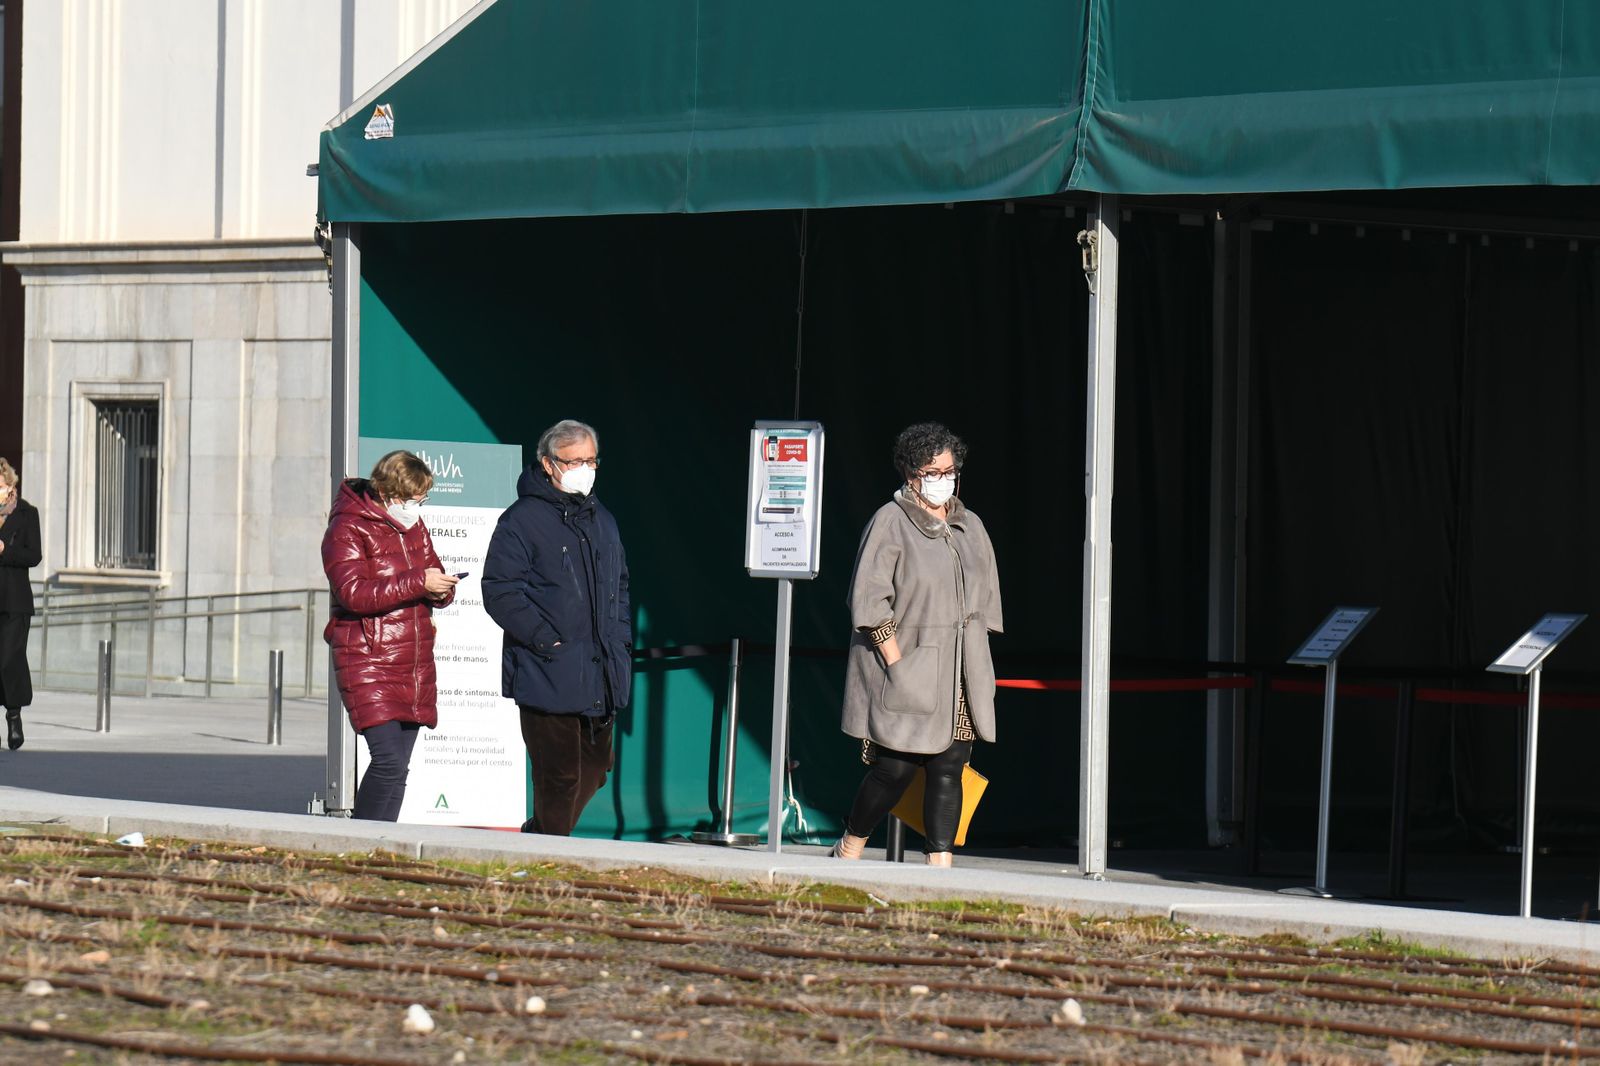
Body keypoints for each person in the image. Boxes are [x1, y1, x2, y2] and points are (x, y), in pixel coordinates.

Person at [832, 422, 1003, 866]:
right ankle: (850, 846)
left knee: (950, 767)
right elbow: (869, 601)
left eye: (949, 470)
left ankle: (939, 868)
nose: (943, 478)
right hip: (908, 668)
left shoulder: (970, 526)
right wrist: (897, 662)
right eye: (932, 470)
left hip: (960, 672)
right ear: (911, 473)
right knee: (896, 769)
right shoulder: (890, 521)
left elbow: (986, 601)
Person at [483, 419, 632, 836]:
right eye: (574, 461)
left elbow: (620, 585)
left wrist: (621, 640)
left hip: (601, 670)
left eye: (591, 460)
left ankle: (540, 836)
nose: (584, 468)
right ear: (548, 464)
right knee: (559, 777)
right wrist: (546, 639)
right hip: (546, 668)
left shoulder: (603, 519)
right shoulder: (521, 520)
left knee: (597, 769)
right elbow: (500, 590)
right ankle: (549, 853)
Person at [322, 450, 457, 821]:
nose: (416, 507)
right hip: (367, 654)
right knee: (388, 761)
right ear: (385, 492)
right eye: (411, 499)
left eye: (422, 500)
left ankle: (384, 844)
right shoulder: (346, 528)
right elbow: (353, 594)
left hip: (411, 659)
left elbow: (433, 572)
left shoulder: (414, 526)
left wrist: (442, 589)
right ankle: (358, 844)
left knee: (400, 769)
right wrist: (419, 582)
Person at [0, 458, 40, 751]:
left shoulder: (27, 514)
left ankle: (14, 716)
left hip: (15, 600)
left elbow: (34, 555)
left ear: (10, 485)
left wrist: (5, 550)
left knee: (9, 658)